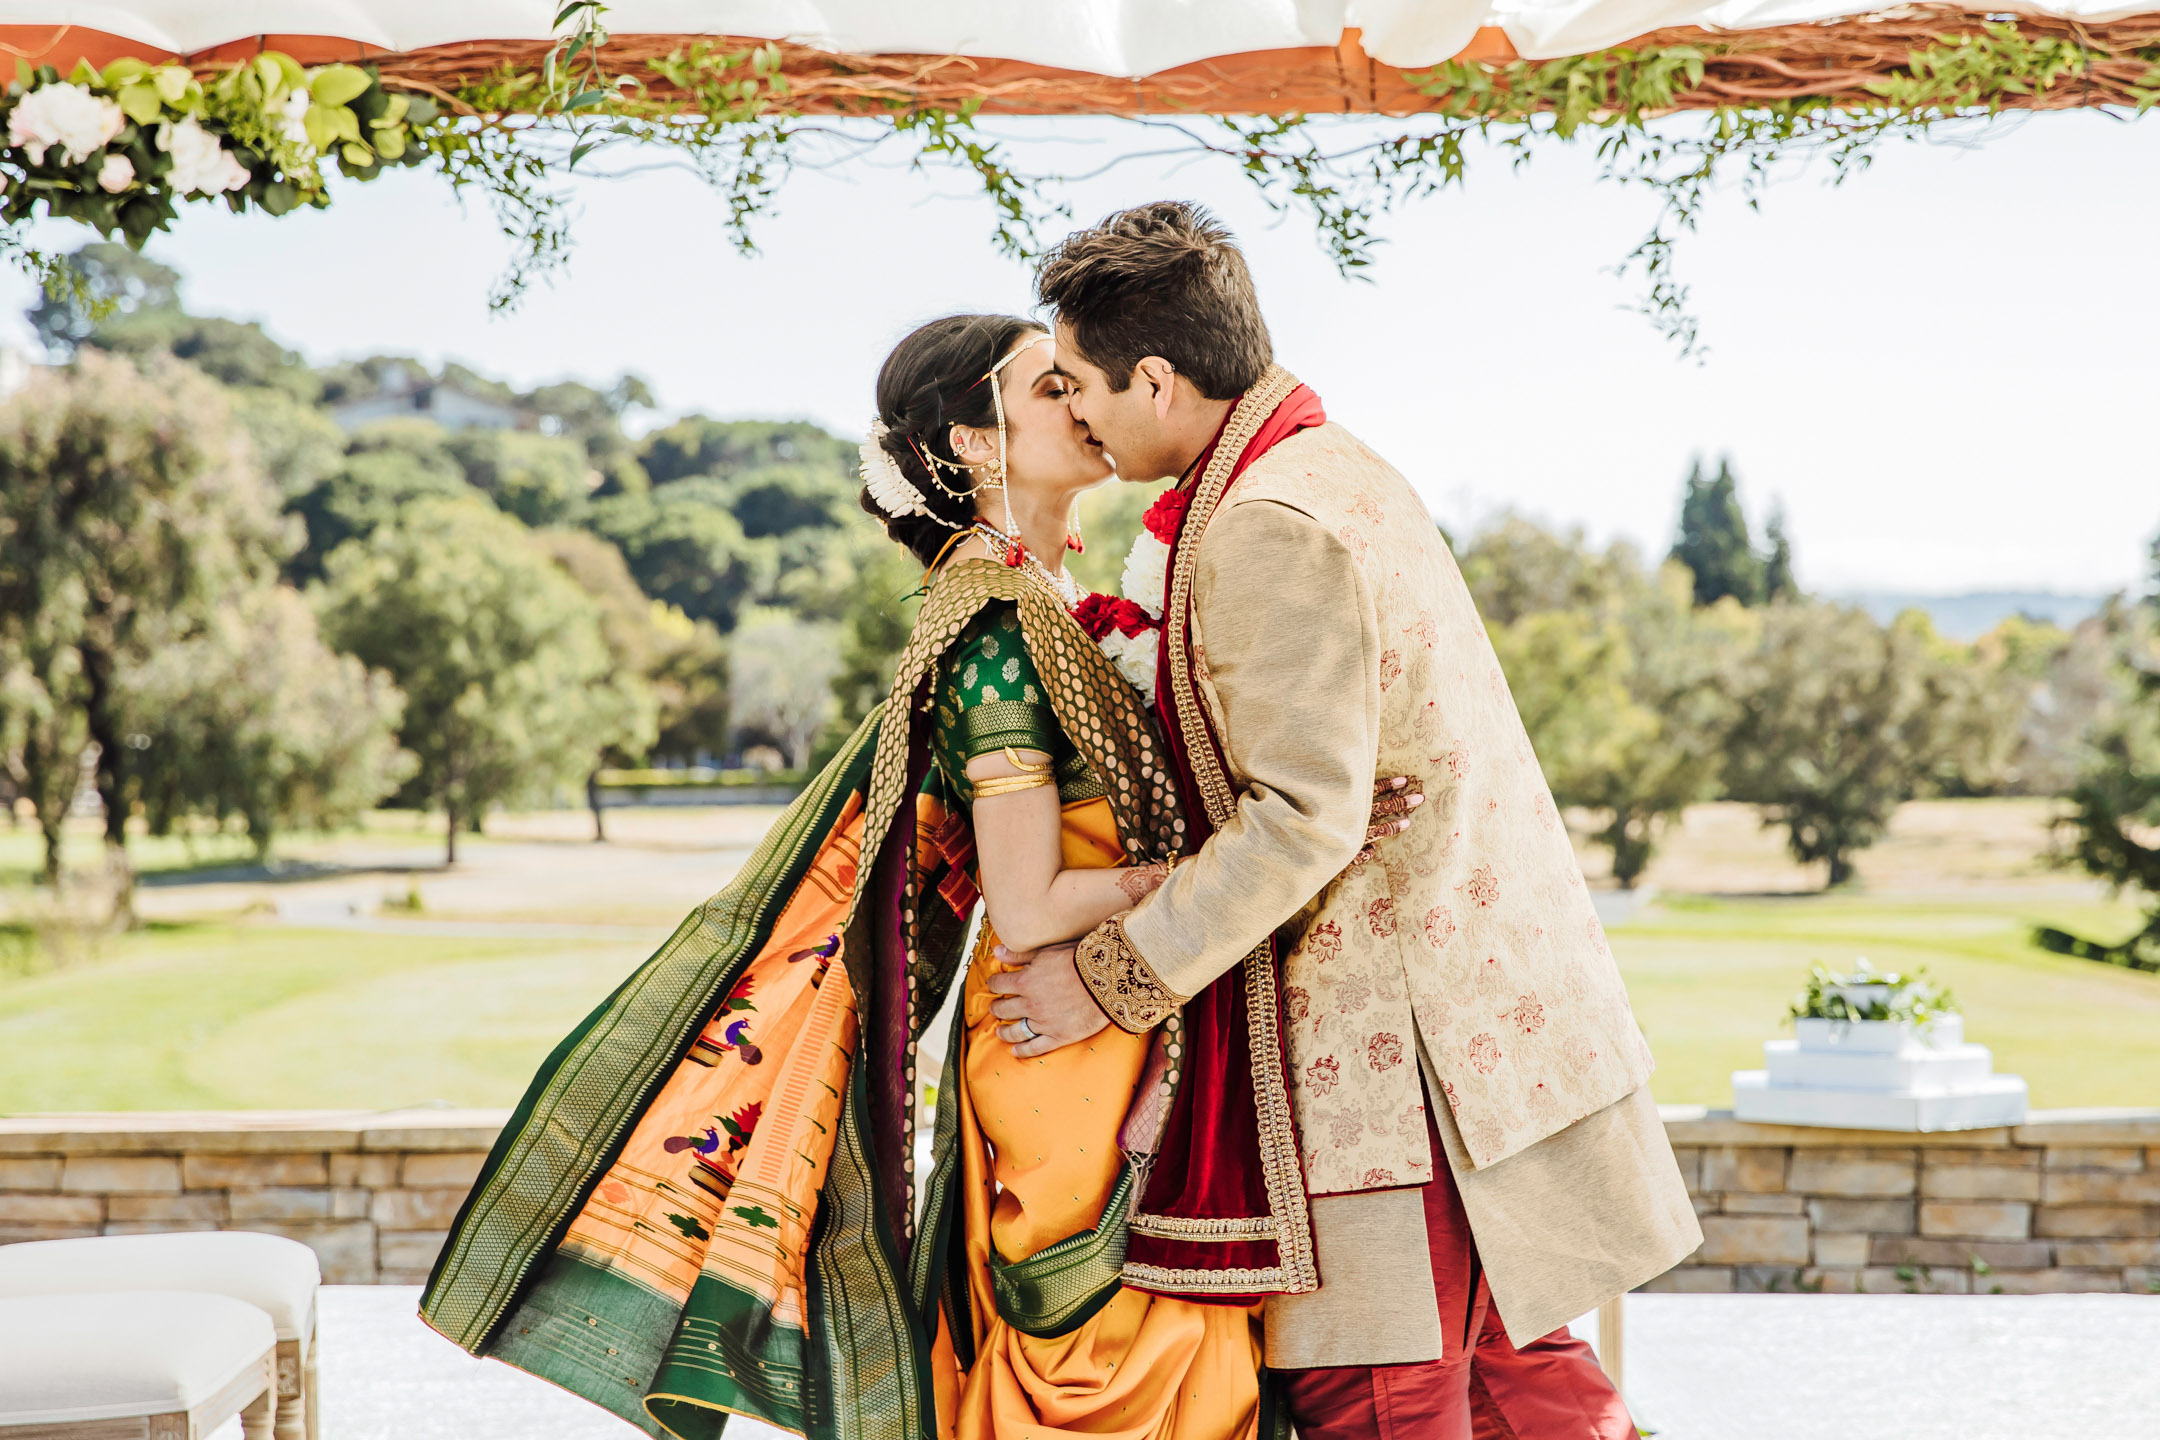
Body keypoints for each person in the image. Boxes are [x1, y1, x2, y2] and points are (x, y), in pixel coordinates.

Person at [419, 310, 1413, 1440]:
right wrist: (1225, 859)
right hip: (1066, 1041)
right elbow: (1032, 900)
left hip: (1112, 1028)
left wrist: (1300, 812)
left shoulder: (1039, 608)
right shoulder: (992, 624)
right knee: (1109, 1382)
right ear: (972, 443)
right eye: (1051, 389)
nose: (1085, 405)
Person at [987, 201, 1704, 1440]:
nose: (1083, 414)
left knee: (1385, 1400)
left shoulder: (1266, 523)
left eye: (1085, 385)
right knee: (1524, 1389)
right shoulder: (1328, 464)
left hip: (1393, 1057)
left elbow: (1302, 822)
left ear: (1157, 379)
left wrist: (1106, 979)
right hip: (1465, 1033)